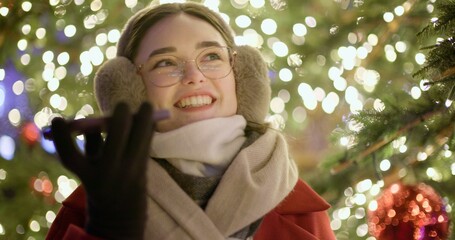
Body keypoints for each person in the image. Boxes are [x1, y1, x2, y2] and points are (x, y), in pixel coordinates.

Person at [46, 2, 336, 240]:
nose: (194, 76)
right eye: (165, 63)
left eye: (211, 56)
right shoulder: (93, 209)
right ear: (130, 90)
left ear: (242, 77)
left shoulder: (301, 209)